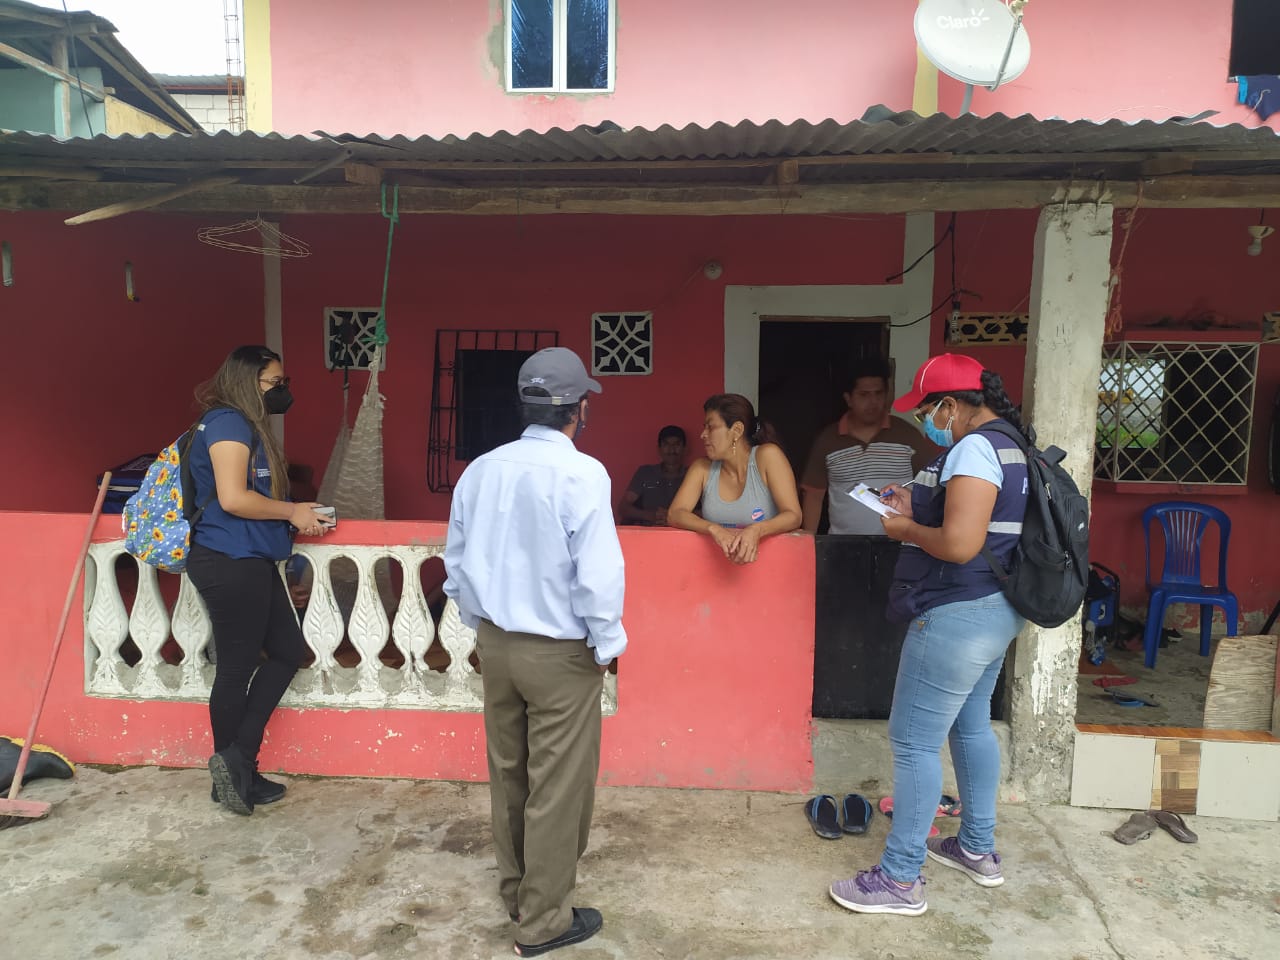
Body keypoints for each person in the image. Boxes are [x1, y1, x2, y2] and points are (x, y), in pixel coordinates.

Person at [828, 353, 1029, 917]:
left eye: (925, 411)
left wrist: (906, 529)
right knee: (970, 725)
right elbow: (983, 520)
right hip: (997, 608)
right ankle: (976, 847)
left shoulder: (973, 448)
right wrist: (917, 503)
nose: (924, 423)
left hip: (956, 611)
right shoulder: (1011, 444)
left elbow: (960, 544)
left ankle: (899, 880)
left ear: (951, 405)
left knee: (915, 742)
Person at [443, 346, 625, 957]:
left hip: (496, 645)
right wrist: (607, 643)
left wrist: (479, 622)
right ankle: (544, 921)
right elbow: (598, 576)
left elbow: (456, 563)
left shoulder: (481, 469)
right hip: (560, 652)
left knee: (509, 774)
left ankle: (518, 892)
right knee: (557, 785)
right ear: (578, 408)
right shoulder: (583, 474)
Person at [185, 345, 333, 816]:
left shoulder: (244, 425)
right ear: (248, 382)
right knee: (236, 667)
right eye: (275, 383)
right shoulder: (228, 423)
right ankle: (233, 770)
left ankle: (237, 763)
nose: (283, 390)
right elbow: (232, 498)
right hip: (228, 558)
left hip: (249, 558)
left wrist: (294, 515)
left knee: (287, 651)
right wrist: (292, 510)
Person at [801, 355, 936, 535]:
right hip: (843, 545)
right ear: (848, 399)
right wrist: (808, 540)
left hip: (901, 543)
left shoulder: (908, 436)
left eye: (878, 394)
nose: (873, 402)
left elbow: (931, 486)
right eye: (864, 395)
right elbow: (813, 496)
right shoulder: (828, 440)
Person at [667, 394, 802, 564]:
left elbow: (793, 516)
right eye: (704, 427)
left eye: (710, 427)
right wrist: (714, 529)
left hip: (770, 567)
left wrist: (757, 530)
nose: (703, 434)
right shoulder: (702, 468)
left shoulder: (767, 456)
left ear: (737, 430)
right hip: (712, 569)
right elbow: (675, 514)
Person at [618, 425, 688, 526]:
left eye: (677, 444)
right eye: (666, 444)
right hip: (649, 531)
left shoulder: (693, 474)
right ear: (659, 449)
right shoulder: (646, 472)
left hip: (684, 532)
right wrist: (649, 515)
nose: (671, 450)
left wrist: (675, 517)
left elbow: (708, 513)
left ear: (684, 449)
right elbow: (623, 508)